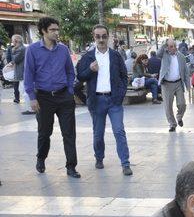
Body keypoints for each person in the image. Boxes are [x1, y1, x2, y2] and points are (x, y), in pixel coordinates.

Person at [24, 17, 81, 178]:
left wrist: (70, 90)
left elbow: (70, 71)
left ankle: (71, 167)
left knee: (69, 133)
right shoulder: (33, 50)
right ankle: (41, 158)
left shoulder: (63, 49)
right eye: (53, 30)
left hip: (64, 97)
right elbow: (28, 74)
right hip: (43, 98)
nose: (56, 33)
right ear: (43, 31)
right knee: (44, 132)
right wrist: (32, 97)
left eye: (57, 29)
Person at [77, 25, 133, 176]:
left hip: (114, 100)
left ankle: (125, 163)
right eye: (98, 36)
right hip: (96, 100)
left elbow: (123, 76)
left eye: (103, 36)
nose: (101, 39)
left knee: (119, 131)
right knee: (98, 133)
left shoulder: (115, 56)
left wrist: (120, 94)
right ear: (94, 37)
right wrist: (90, 70)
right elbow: (80, 76)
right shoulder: (88, 57)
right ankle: (99, 157)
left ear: (108, 37)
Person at [158, 38, 190, 132]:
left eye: (174, 46)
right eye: (171, 46)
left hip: (178, 83)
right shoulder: (164, 54)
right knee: (168, 106)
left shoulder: (181, 56)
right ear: (167, 47)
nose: (173, 48)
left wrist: (188, 85)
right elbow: (158, 53)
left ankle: (179, 117)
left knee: (182, 104)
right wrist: (164, 45)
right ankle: (172, 124)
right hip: (167, 84)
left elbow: (186, 72)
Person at [9, 35, 34, 115]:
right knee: (23, 90)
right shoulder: (22, 49)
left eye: (13, 41)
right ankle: (30, 108)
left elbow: (15, 59)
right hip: (22, 73)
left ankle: (31, 109)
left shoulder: (21, 49)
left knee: (25, 91)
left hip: (23, 73)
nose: (12, 43)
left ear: (16, 41)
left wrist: (13, 50)